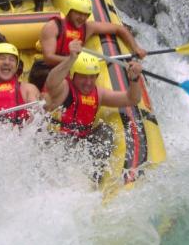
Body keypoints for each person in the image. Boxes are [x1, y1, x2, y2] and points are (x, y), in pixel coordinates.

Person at [44, 40, 142, 177]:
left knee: (105, 131)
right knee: (62, 143)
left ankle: (95, 176)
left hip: (82, 143)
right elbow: (51, 82)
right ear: (73, 75)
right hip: (57, 141)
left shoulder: (99, 94)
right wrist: (72, 58)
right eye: (83, 77)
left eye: (92, 77)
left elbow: (132, 99)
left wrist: (134, 79)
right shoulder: (64, 89)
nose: (88, 82)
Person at [28, 0, 148, 89]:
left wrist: (135, 48)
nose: (82, 18)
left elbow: (119, 29)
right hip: (46, 69)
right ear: (69, 11)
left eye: (86, 14)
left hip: (69, 68)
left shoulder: (88, 27)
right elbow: (49, 58)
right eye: (78, 13)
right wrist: (74, 61)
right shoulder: (53, 26)